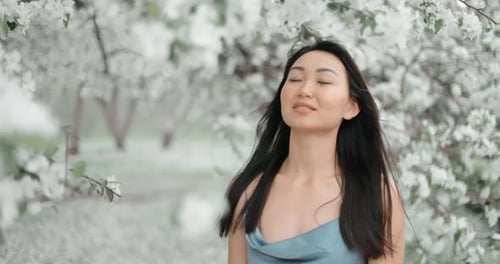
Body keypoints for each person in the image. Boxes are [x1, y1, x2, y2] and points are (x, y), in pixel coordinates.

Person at [218, 39, 405, 264]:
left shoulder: (378, 193)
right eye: (295, 79)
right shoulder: (246, 188)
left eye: (324, 81)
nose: (305, 90)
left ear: (351, 106)